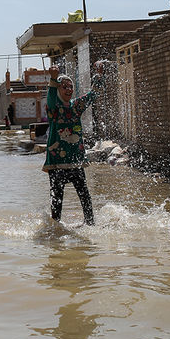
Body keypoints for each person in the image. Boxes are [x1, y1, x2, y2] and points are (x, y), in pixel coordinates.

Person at [42, 62, 105, 226]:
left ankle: (90, 225)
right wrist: (53, 79)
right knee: (57, 199)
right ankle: (55, 229)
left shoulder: (76, 106)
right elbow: (49, 101)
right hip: (57, 163)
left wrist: (98, 76)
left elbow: (93, 95)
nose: (69, 89)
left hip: (76, 160)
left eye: (71, 86)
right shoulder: (54, 109)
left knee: (85, 195)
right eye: (64, 87)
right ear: (58, 90)